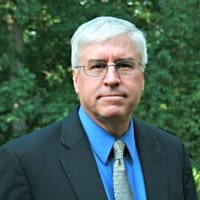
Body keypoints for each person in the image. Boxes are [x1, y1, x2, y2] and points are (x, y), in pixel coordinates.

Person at [0, 16, 197, 200]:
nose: (112, 79)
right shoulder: (24, 162)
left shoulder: (172, 152)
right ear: (76, 80)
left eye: (125, 65)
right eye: (97, 66)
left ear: (142, 77)